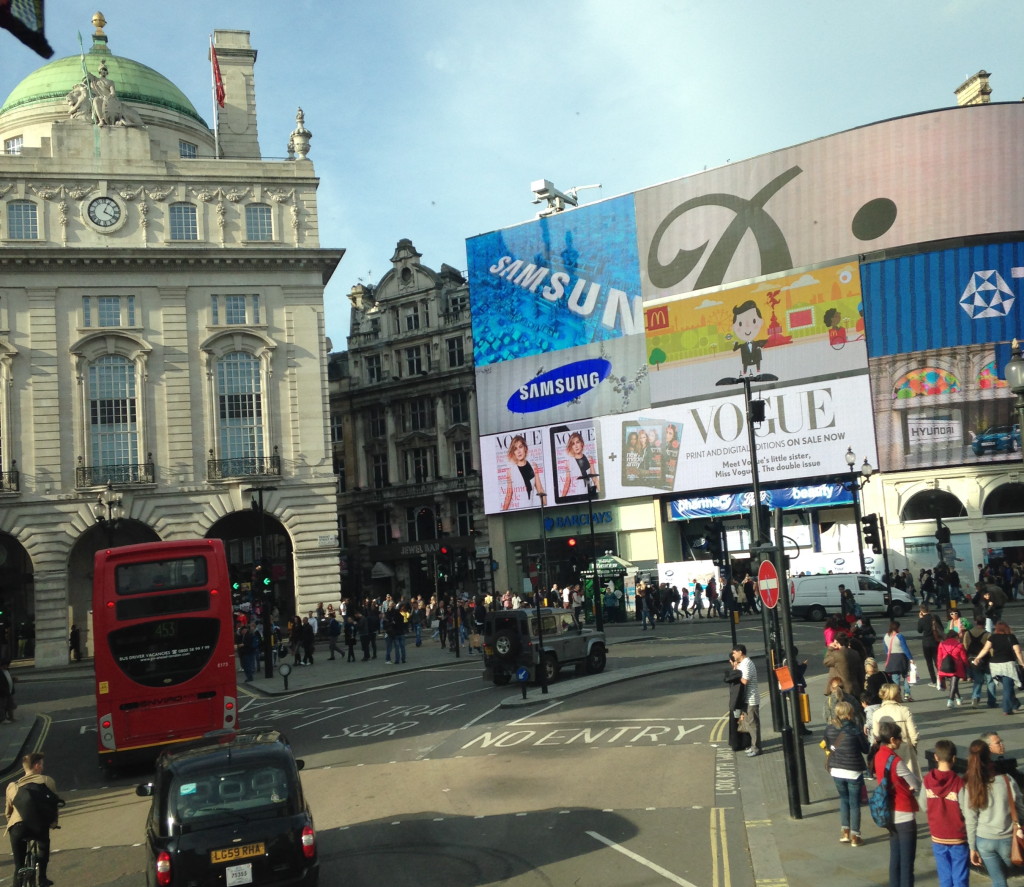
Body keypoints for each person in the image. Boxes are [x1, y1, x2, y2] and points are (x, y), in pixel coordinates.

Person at [963, 738, 1024, 887]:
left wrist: (972, 847)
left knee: (998, 880)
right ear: (989, 756)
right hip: (1007, 838)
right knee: (1013, 868)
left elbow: (970, 819)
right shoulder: (1006, 780)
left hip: (983, 839)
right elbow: (1020, 807)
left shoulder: (972, 785)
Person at [874, 720, 921, 887]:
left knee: (895, 858)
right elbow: (915, 783)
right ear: (893, 740)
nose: (901, 741)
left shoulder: (879, 755)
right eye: (899, 738)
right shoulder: (895, 761)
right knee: (907, 863)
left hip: (888, 811)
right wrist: (911, 786)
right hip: (904, 812)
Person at [5, 752, 60, 887]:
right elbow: (54, 805)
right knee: (43, 846)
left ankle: (18, 883)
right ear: (36, 766)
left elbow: (8, 812)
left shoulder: (13, 786)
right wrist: (53, 823)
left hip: (17, 828)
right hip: (39, 826)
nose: (42, 767)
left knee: (18, 865)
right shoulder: (47, 781)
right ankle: (42, 878)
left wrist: (11, 824)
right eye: (41, 765)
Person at [825, 700, 870, 847]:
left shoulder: (830, 728)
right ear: (850, 713)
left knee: (844, 800)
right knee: (854, 803)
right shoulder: (855, 730)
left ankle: (845, 833)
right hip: (853, 770)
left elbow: (827, 744)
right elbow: (866, 749)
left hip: (836, 770)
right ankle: (855, 836)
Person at [924, 740, 969, 887]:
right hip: (957, 835)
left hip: (937, 834)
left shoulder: (927, 780)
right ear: (954, 758)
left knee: (944, 875)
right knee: (960, 874)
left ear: (936, 757)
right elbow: (966, 808)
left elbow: (923, 804)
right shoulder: (958, 783)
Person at [971, 621, 1024, 716]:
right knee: (1008, 688)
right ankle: (1006, 709)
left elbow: (985, 649)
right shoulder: (1011, 637)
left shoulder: (993, 637)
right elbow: (1018, 651)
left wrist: (978, 658)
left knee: (1008, 686)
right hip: (1007, 664)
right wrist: (1022, 662)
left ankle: (1015, 704)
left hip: (994, 665)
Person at [875, 682, 922, 784]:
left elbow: (876, 737)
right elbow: (914, 734)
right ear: (895, 695)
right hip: (905, 750)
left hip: (886, 754)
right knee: (910, 784)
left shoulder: (876, 713)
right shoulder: (904, 711)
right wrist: (912, 748)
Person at [502, 435, 544, 511]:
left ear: (525, 448)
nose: (518, 451)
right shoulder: (510, 471)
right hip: (516, 513)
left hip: (531, 511)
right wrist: (502, 513)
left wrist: (547, 509)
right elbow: (508, 495)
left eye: (520, 447)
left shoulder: (533, 466)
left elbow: (540, 490)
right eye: (515, 449)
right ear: (513, 452)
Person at [732, 645, 761, 756]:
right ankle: (753, 746)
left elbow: (745, 681)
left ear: (740, 652)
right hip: (746, 698)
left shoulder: (747, 663)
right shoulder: (742, 664)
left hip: (751, 698)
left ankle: (756, 748)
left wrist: (736, 675)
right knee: (749, 724)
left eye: (734, 652)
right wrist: (736, 668)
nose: (733, 655)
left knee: (753, 724)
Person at [882, 621, 915, 700]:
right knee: (906, 676)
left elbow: (886, 650)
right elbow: (905, 648)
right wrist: (910, 658)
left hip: (892, 659)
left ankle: (897, 695)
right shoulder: (899, 636)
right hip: (901, 657)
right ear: (897, 628)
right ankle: (907, 694)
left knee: (895, 678)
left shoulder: (886, 636)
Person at [936, 629, 969, 708]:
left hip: (945, 667)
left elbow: (939, 657)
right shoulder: (959, 645)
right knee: (953, 684)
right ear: (955, 637)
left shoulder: (942, 644)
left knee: (953, 684)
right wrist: (967, 666)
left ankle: (959, 698)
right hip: (956, 667)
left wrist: (939, 668)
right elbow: (964, 658)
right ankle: (950, 700)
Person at [918, 605, 945, 690]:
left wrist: (920, 618)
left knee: (929, 663)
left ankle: (934, 681)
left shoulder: (922, 619)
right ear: (929, 609)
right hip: (935, 641)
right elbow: (941, 628)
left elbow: (919, 630)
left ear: (921, 611)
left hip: (926, 642)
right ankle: (941, 678)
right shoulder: (935, 617)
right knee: (937, 661)